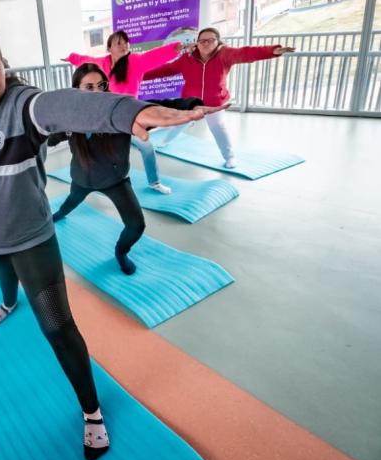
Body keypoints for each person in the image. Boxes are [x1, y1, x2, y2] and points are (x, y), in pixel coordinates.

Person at [0, 27, 220, 460]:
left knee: (58, 328)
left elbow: (68, 105)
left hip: (31, 241)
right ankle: (8, 302)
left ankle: (92, 412)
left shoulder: (24, 108)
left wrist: (127, 112)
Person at [48, 64, 213, 275]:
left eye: (101, 85)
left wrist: (193, 106)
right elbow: (51, 137)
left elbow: (154, 107)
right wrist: (54, 131)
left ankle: (121, 252)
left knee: (136, 226)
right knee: (70, 203)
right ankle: (60, 214)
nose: (97, 92)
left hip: (115, 180)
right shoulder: (72, 117)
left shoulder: (119, 111)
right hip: (82, 179)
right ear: (77, 90)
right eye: (89, 87)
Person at [143, 27, 295, 168]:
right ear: (197, 42)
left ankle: (229, 157)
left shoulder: (225, 54)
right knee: (179, 123)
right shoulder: (187, 59)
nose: (206, 43)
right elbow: (166, 70)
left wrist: (272, 51)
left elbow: (247, 53)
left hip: (215, 103)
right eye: (202, 40)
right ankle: (165, 141)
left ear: (218, 42)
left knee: (217, 128)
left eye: (211, 40)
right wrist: (138, 75)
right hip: (191, 102)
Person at [64, 31, 185, 194]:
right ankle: (94, 182)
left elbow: (154, 56)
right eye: (119, 43)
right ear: (109, 48)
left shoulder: (135, 61)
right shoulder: (102, 64)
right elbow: (85, 60)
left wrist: (174, 49)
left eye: (126, 42)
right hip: (106, 116)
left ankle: (154, 182)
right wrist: (71, 57)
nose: (124, 45)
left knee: (147, 147)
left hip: (128, 115)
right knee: (97, 150)